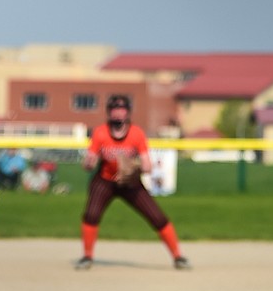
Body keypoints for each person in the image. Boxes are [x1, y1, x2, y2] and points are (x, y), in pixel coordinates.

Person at [77, 95, 190, 270]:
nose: (118, 113)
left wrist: (135, 167)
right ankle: (87, 256)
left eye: (121, 109)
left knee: (157, 217)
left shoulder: (136, 133)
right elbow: (89, 160)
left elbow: (147, 165)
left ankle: (178, 256)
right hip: (105, 180)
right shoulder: (101, 132)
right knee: (91, 214)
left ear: (128, 112)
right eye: (114, 109)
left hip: (130, 183)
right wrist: (88, 162)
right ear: (109, 112)